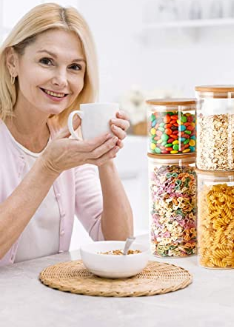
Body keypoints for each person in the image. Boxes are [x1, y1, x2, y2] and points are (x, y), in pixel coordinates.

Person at [0, 3, 133, 266]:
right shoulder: (57, 155)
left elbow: (119, 242)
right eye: (46, 61)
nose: (61, 80)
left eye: (74, 67)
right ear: (12, 62)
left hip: (49, 301)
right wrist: (48, 166)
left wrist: (104, 155)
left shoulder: (66, 141)